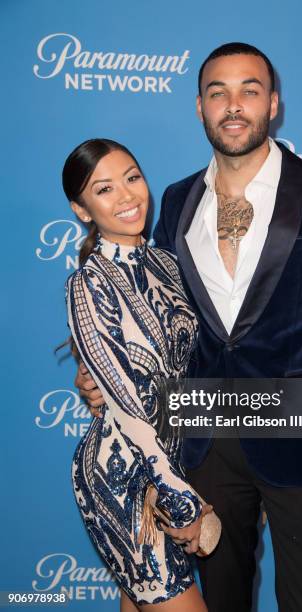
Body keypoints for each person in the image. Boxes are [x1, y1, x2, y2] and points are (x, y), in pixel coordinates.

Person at [76, 43, 302, 612]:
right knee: (219, 602)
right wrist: (101, 372)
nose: (233, 105)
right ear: (199, 107)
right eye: (218, 92)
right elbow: (157, 323)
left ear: (274, 104)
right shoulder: (174, 199)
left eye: (250, 90)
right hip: (204, 441)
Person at [63, 138, 217, 612]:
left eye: (132, 177)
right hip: (124, 477)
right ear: (82, 209)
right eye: (104, 189)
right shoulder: (88, 283)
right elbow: (129, 408)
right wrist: (182, 501)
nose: (127, 196)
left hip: (173, 466)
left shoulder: (166, 263)